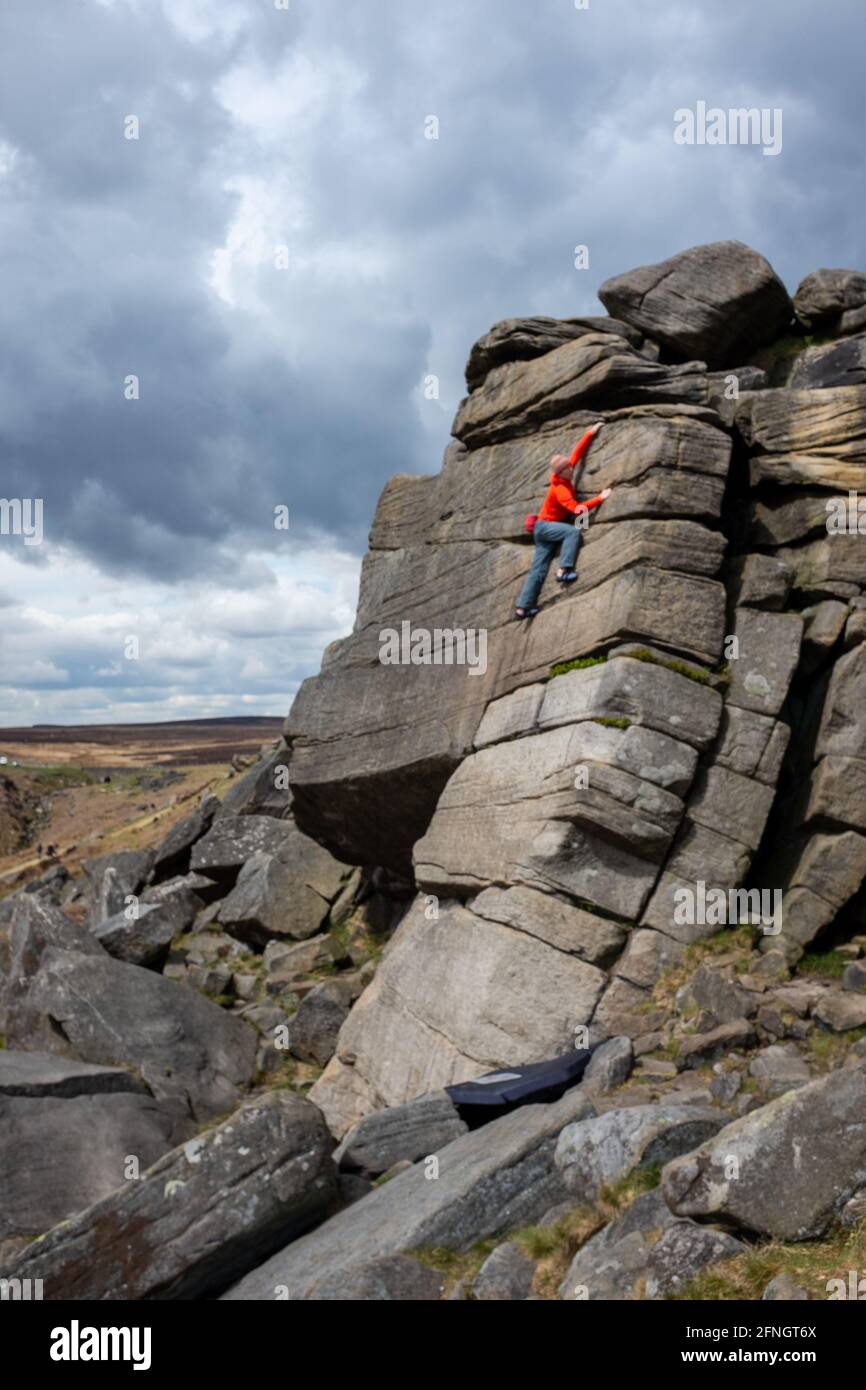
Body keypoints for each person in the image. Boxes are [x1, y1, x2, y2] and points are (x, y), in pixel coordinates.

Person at [515, 421, 612, 619]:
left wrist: (590, 432)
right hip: (545, 528)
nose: (571, 468)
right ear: (560, 472)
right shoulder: (559, 490)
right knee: (573, 532)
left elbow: (577, 453)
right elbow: (578, 509)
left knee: (538, 569)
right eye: (567, 467)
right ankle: (563, 570)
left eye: (569, 465)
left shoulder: (565, 473)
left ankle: (522, 608)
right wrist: (600, 498)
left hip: (544, 529)